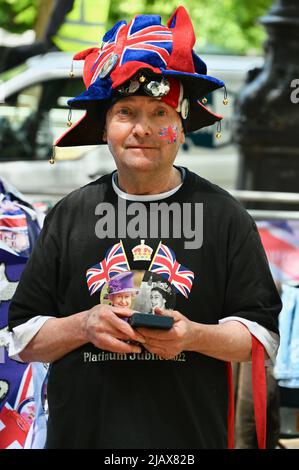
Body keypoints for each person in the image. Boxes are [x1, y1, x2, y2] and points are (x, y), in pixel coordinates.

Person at [8, 6, 282, 449]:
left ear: (181, 124)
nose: (143, 129)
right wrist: (85, 325)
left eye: (160, 112)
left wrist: (192, 336)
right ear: (105, 127)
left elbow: (261, 336)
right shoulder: (70, 214)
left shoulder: (224, 216)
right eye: (126, 112)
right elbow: (22, 338)